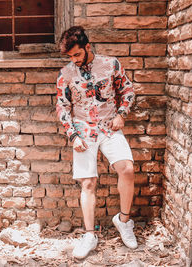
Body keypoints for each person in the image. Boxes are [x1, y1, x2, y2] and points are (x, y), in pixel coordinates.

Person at [56, 26, 137, 259]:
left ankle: (124, 221)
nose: (74, 60)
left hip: (109, 128)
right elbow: (63, 107)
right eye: (70, 57)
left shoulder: (111, 64)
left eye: (77, 55)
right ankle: (90, 235)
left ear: (87, 47)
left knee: (127, 169)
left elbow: (127, 89)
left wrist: (122, 114)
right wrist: (73, 135)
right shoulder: (66, 74)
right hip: (83, 131)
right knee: (88, 183)